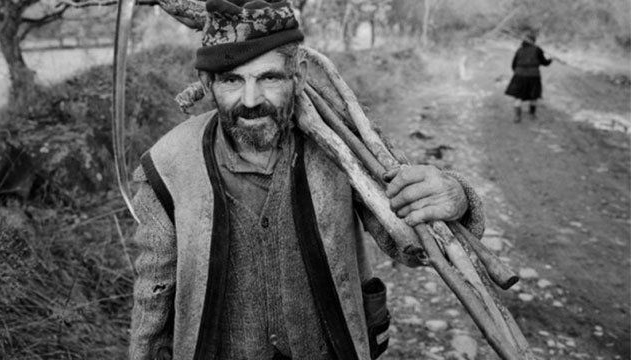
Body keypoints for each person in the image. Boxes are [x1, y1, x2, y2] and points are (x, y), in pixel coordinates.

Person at [128, 1, 484, 359]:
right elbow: (153, 298)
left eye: (268, 78)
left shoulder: (345, 148)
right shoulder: (167, 167)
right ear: (208, 83)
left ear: (297, 75)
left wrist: (456, 198)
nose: (250, 101)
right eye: (232, 80)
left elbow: (414, 244)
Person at [505, 32, 553, 123]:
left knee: (518, 97)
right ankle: (532, 114)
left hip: (519, 76)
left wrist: (518, 73)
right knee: (533, 96)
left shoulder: (519, 50)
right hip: (533, 76)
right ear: (533, 41)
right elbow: (545, 62)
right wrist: (550, 59)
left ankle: (517, 116)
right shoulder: (537, 49)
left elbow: (513, 65)